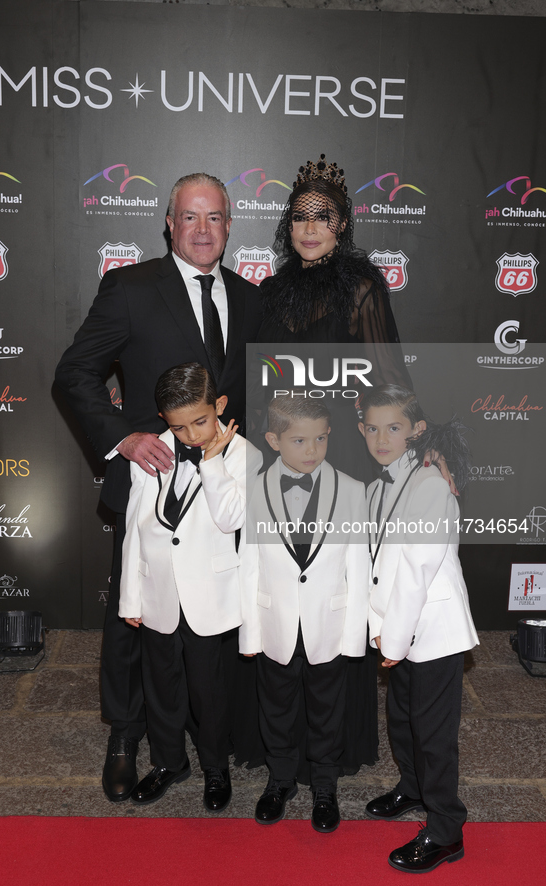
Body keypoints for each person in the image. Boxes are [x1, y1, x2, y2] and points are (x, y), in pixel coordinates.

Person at [54, 173, 262, 802]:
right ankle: (126, 736)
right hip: (152, 485)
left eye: (216, 218)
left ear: (229, 226)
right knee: (134, 621)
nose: (203, 230)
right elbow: (75, 373)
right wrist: (123, 438)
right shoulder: (130, 287)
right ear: (169, 224)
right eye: (190, 217)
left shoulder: (252, 300)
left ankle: (213, 748)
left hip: (223, 494)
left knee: (211, 624)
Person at [256, 155, 408, 776]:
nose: (310, 228)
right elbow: (258, 379)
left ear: (342, 224)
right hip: (279, 457)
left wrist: (417, 454)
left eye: (323, 217)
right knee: (280, 596)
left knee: (333, 602)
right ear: (288, 226)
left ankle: (330, 752)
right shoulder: (270, 290)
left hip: (343, 460)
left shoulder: (364, 288)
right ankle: (278, 752)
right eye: (300, 217)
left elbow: (390, 376)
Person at [118, 362, 262, 811]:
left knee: (209, 691)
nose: (192, 436)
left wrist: (213, 462)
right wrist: (130, 595)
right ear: (164, 420)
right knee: (160, 685)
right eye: (179, 427)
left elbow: (231, 518)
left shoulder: (244, 454)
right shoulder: (153, 450)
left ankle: (215, 768)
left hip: (210, 595)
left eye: (200, 421)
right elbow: (135, 526)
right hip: (158, 591)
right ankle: (167, 762)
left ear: (219, 405)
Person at [358, 384, 478, 873]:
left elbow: (417, 566)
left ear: (417, 431)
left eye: (394, 428)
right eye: (372, 428)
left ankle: (447, 830)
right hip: (400, 632)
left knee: (433, 735)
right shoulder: (377, 486)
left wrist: (395, 637)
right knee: (403, 722)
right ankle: (412, 788)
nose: (381, 438)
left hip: (431, 631)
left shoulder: (429, 481)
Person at [240, 395, 369, 833]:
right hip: (274, 622)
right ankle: (279, 781)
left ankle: (324, 787)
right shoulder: (253, 489)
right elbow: (248, 565)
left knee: (327, 710)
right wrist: (250, 634)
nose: (312, 449)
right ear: (274, 440)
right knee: (275, 707)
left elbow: (358, 567)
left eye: (320, 438)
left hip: (329, 626)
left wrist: (354, 638)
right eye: (299, 440)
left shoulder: (353, 491)